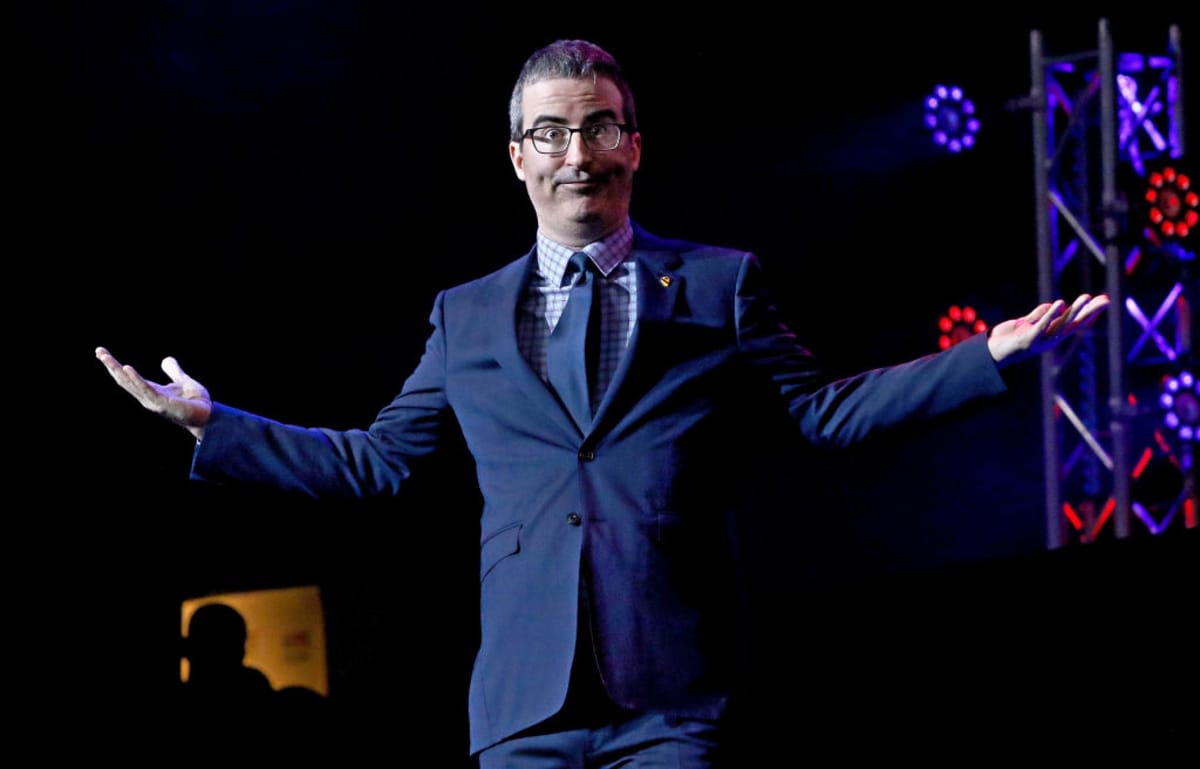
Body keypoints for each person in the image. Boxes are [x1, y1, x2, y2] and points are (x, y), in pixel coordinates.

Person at [96, 38, 1109, 768]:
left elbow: (826, 413)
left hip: (669, 690)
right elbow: (377, 460)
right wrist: (214, 423)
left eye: (599, 128)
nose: (578, 153)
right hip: (522, 706)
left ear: (632, 145)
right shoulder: (468, 316)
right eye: (552, 133)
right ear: (519, 157)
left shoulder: (716, 286)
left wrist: (991, 353)